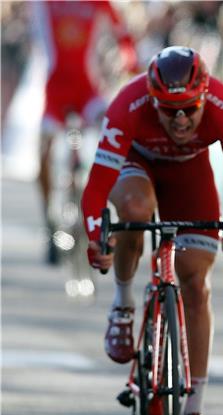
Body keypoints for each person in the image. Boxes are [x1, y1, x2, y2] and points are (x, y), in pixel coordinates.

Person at [81, 46, 223, 415]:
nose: (180, 120)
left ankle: (194, 414)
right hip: (136, 166)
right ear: (152, 100)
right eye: (168, 111)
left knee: (197, 285)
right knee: (133, 210)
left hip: (189, 173)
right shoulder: (128, 105)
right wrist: (97, 237)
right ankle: (124, 305)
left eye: (188, 110)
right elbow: (95, 191)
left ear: (204, 98)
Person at [32, 0, 137, 264]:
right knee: (44, 147)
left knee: (112, 128)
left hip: (87, 89)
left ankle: (120, 205)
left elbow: (122, 31)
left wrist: (128, 56)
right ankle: (49, 222)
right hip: (55, 90)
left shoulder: (98, 1)